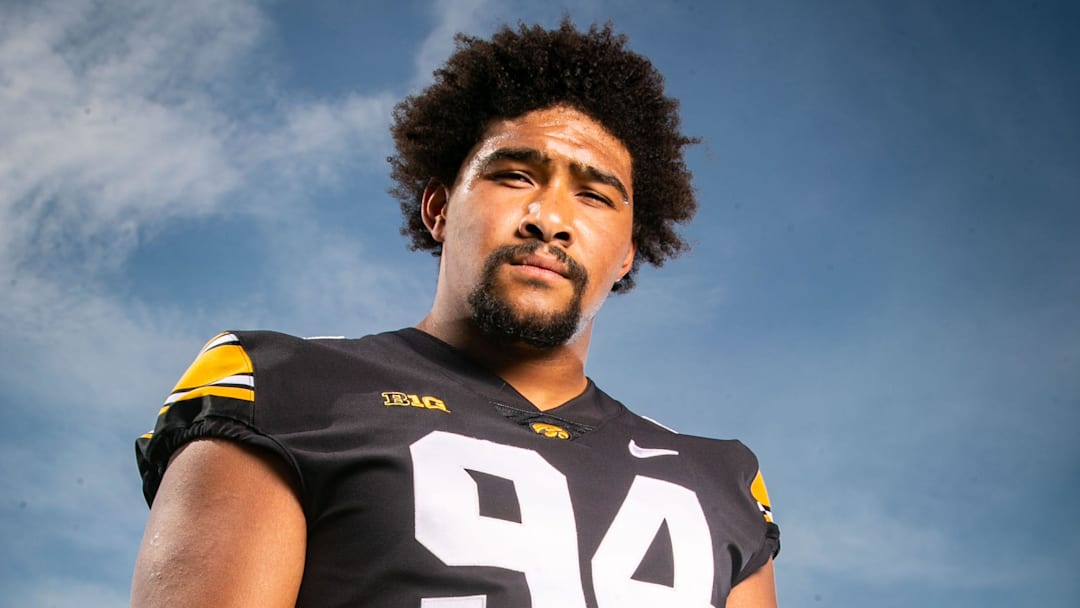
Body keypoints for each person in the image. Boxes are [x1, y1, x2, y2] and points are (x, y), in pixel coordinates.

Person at [132, 19, 779, 608]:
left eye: (593, 196)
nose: (549, 219)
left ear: (628, 253)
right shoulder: (282, 387)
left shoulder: (720, 479)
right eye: (516, 176)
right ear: (438, 208)